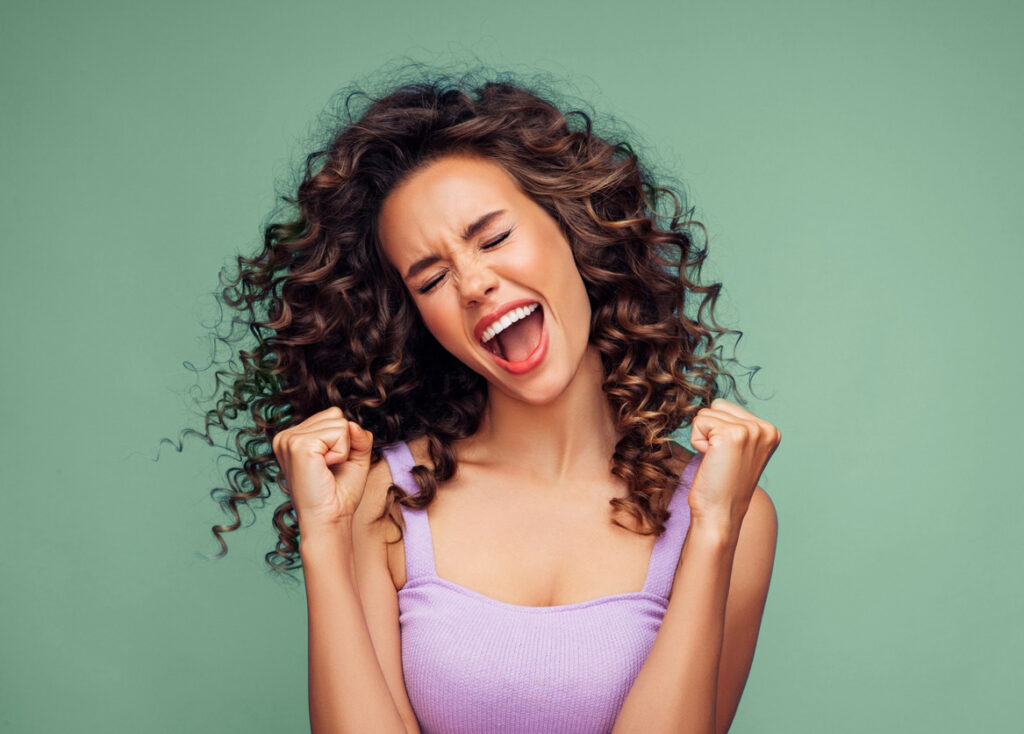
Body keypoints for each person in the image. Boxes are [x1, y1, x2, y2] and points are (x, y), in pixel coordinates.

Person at [193, 66, 780, 734]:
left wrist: (711, 531)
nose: (473, 284)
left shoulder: (727, 512)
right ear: (420, 320)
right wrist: (323, 537)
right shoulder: (385, 503)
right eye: (432, 277)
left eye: (494, 238)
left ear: (575, 229)